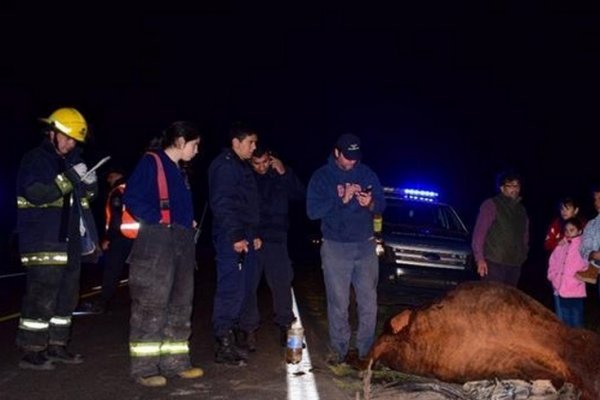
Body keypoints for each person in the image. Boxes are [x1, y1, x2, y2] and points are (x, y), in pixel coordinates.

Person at [15, 107, 100, 369]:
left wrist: (89, 185)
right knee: (42, 297)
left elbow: (81, 201)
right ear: (51, 133)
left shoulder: (71, 162)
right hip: (43, 241)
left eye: (74, 140)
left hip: (70, 240)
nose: (70, 143)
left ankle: (57, 345)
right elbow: (36, 194)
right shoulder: (36, 160)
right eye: (66, 137)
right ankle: (32, 350)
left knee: (67, 296)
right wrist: (70, 178)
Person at [123, 121, 203, 387]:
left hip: (181, 242)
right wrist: (159, 218)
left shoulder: (180, 171)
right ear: (180, 142)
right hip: (156, 242)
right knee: (151, 305)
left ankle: (176, 362)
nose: (196, 150)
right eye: (194, 144)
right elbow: (132, 198)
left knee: (181, 303)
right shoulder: (151, 162)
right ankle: (144, 368)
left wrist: (186, 222)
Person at [306, 133, 386, 364]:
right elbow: (312, 212)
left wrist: (369, 203)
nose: (352, 161)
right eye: (348, 157)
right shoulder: (322, 177)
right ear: (337, 152)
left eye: (355, 157)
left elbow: (382, 203)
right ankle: (339, 350)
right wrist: (340, 200)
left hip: (365, 245)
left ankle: (365, 351)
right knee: (339, 301)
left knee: (369, 301)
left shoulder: (366, 173)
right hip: (335, 247)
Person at [239, 146, 306, 349]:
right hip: (254, 239)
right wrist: (250, 233)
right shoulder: (245, 177)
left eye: (264, 162)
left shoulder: (281, 174)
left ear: (271, 159)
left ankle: (285, 327)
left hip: (277, 239)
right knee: (248, 286)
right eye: (256, 164)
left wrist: (284, 173)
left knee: (282, 283)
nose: (261, 167)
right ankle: (248, 330)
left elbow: (299, 195)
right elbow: (240, 208)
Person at [208, 124, 261, 365]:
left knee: (241, 289)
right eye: (250, 142)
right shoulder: (226, 166)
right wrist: (237, 236)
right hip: (232, 238)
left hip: (245, 235)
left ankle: (230, 339)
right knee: (230, 289)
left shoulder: (241, 166)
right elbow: (223, 204)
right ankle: (223, 344)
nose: (254, 147)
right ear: (236, 143)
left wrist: (254, 233)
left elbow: (247, 205)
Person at [78, 169, 136, 314]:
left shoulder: (117, 191)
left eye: (110, 177)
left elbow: (116, 218)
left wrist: (108, 239)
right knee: (138, 270)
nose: (109, 181)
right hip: (139, 237)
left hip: (121, 237)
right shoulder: (133, 187)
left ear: (117, 175)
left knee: (112, 270)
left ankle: (103, 303)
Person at [472, 170, 529, 286]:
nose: (515, 189)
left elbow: (525, 235)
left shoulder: (521, 210)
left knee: (508, 301)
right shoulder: (491, 205)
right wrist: (480, 259)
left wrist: (523, 254)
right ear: (502, 188)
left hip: (514, 264)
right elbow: (479, 234)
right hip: (494, 262)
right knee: (492, 298)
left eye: (517, 185)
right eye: (510, 186)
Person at [547, 217, 587, 328]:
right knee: (565, 323)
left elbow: (587, 263)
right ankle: (567, 344)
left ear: (579, 231)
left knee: (576, 321)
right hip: (561, 289)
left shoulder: (582, 246)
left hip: (576, 290)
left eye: (572, 230)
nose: (568, 233)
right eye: (566, 230)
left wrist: (581, 275)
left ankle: (579, 344)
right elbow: (553, 261)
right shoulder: (562, 245)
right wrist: (553, 276)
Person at [575, 185, 600, 284]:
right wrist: (593, 254)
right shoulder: (591, 224)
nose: (597, 203)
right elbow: (583, 248)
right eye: (595, 199)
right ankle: (593, 269)